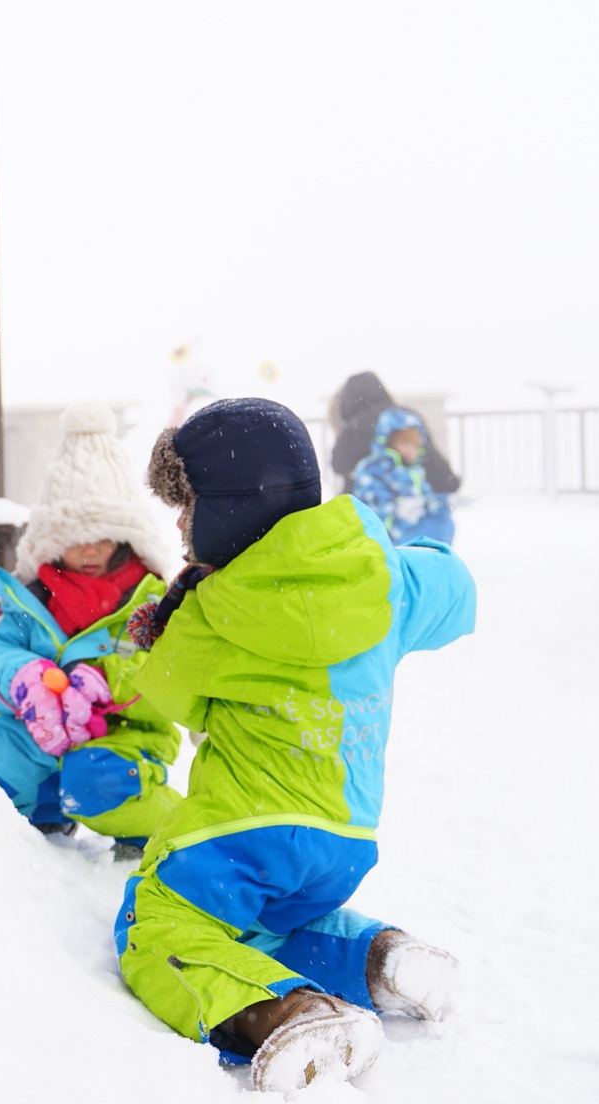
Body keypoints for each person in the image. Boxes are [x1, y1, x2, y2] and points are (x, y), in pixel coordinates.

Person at [115, 398, 475, 1093]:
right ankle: (383, 961)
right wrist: (411, 563)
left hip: (241, 835)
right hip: (345, 838)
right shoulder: (384, 577)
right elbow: (457, 592)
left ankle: (288, 1013)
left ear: (227, 511)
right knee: (273, 921)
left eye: (188, 508)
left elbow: (165, 694)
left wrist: (158, 622)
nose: (183, 528)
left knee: (156, 925)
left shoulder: (214, 612)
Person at [0, 405, 183, 857]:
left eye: (104, 534)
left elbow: (174, 674)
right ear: (54, 539)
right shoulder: (29, 597)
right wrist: (24, 679)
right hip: (36, 730)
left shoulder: (150, 601)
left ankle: (162, 829)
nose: (91, 549)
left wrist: (107, 683)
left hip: (123, 737)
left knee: (96, 778)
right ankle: (30, 811)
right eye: (76, 536)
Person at [328, 371, 460, 495]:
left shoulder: (356, 426)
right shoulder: (407, 417)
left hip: (368, 509)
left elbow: (338, 464)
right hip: (410, 504)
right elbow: (432, 461)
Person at [351, 407, 456, 545]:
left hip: (413, 533)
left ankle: (436, 557)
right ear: (388, 442)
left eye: (414, 445)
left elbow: (425, 496)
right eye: (403, 443)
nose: (410, 450)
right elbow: (371, 504)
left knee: (443, 520)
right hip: (387, 539)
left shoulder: (415, 470)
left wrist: (440, 502)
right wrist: (398, 508)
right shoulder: (372, 468)